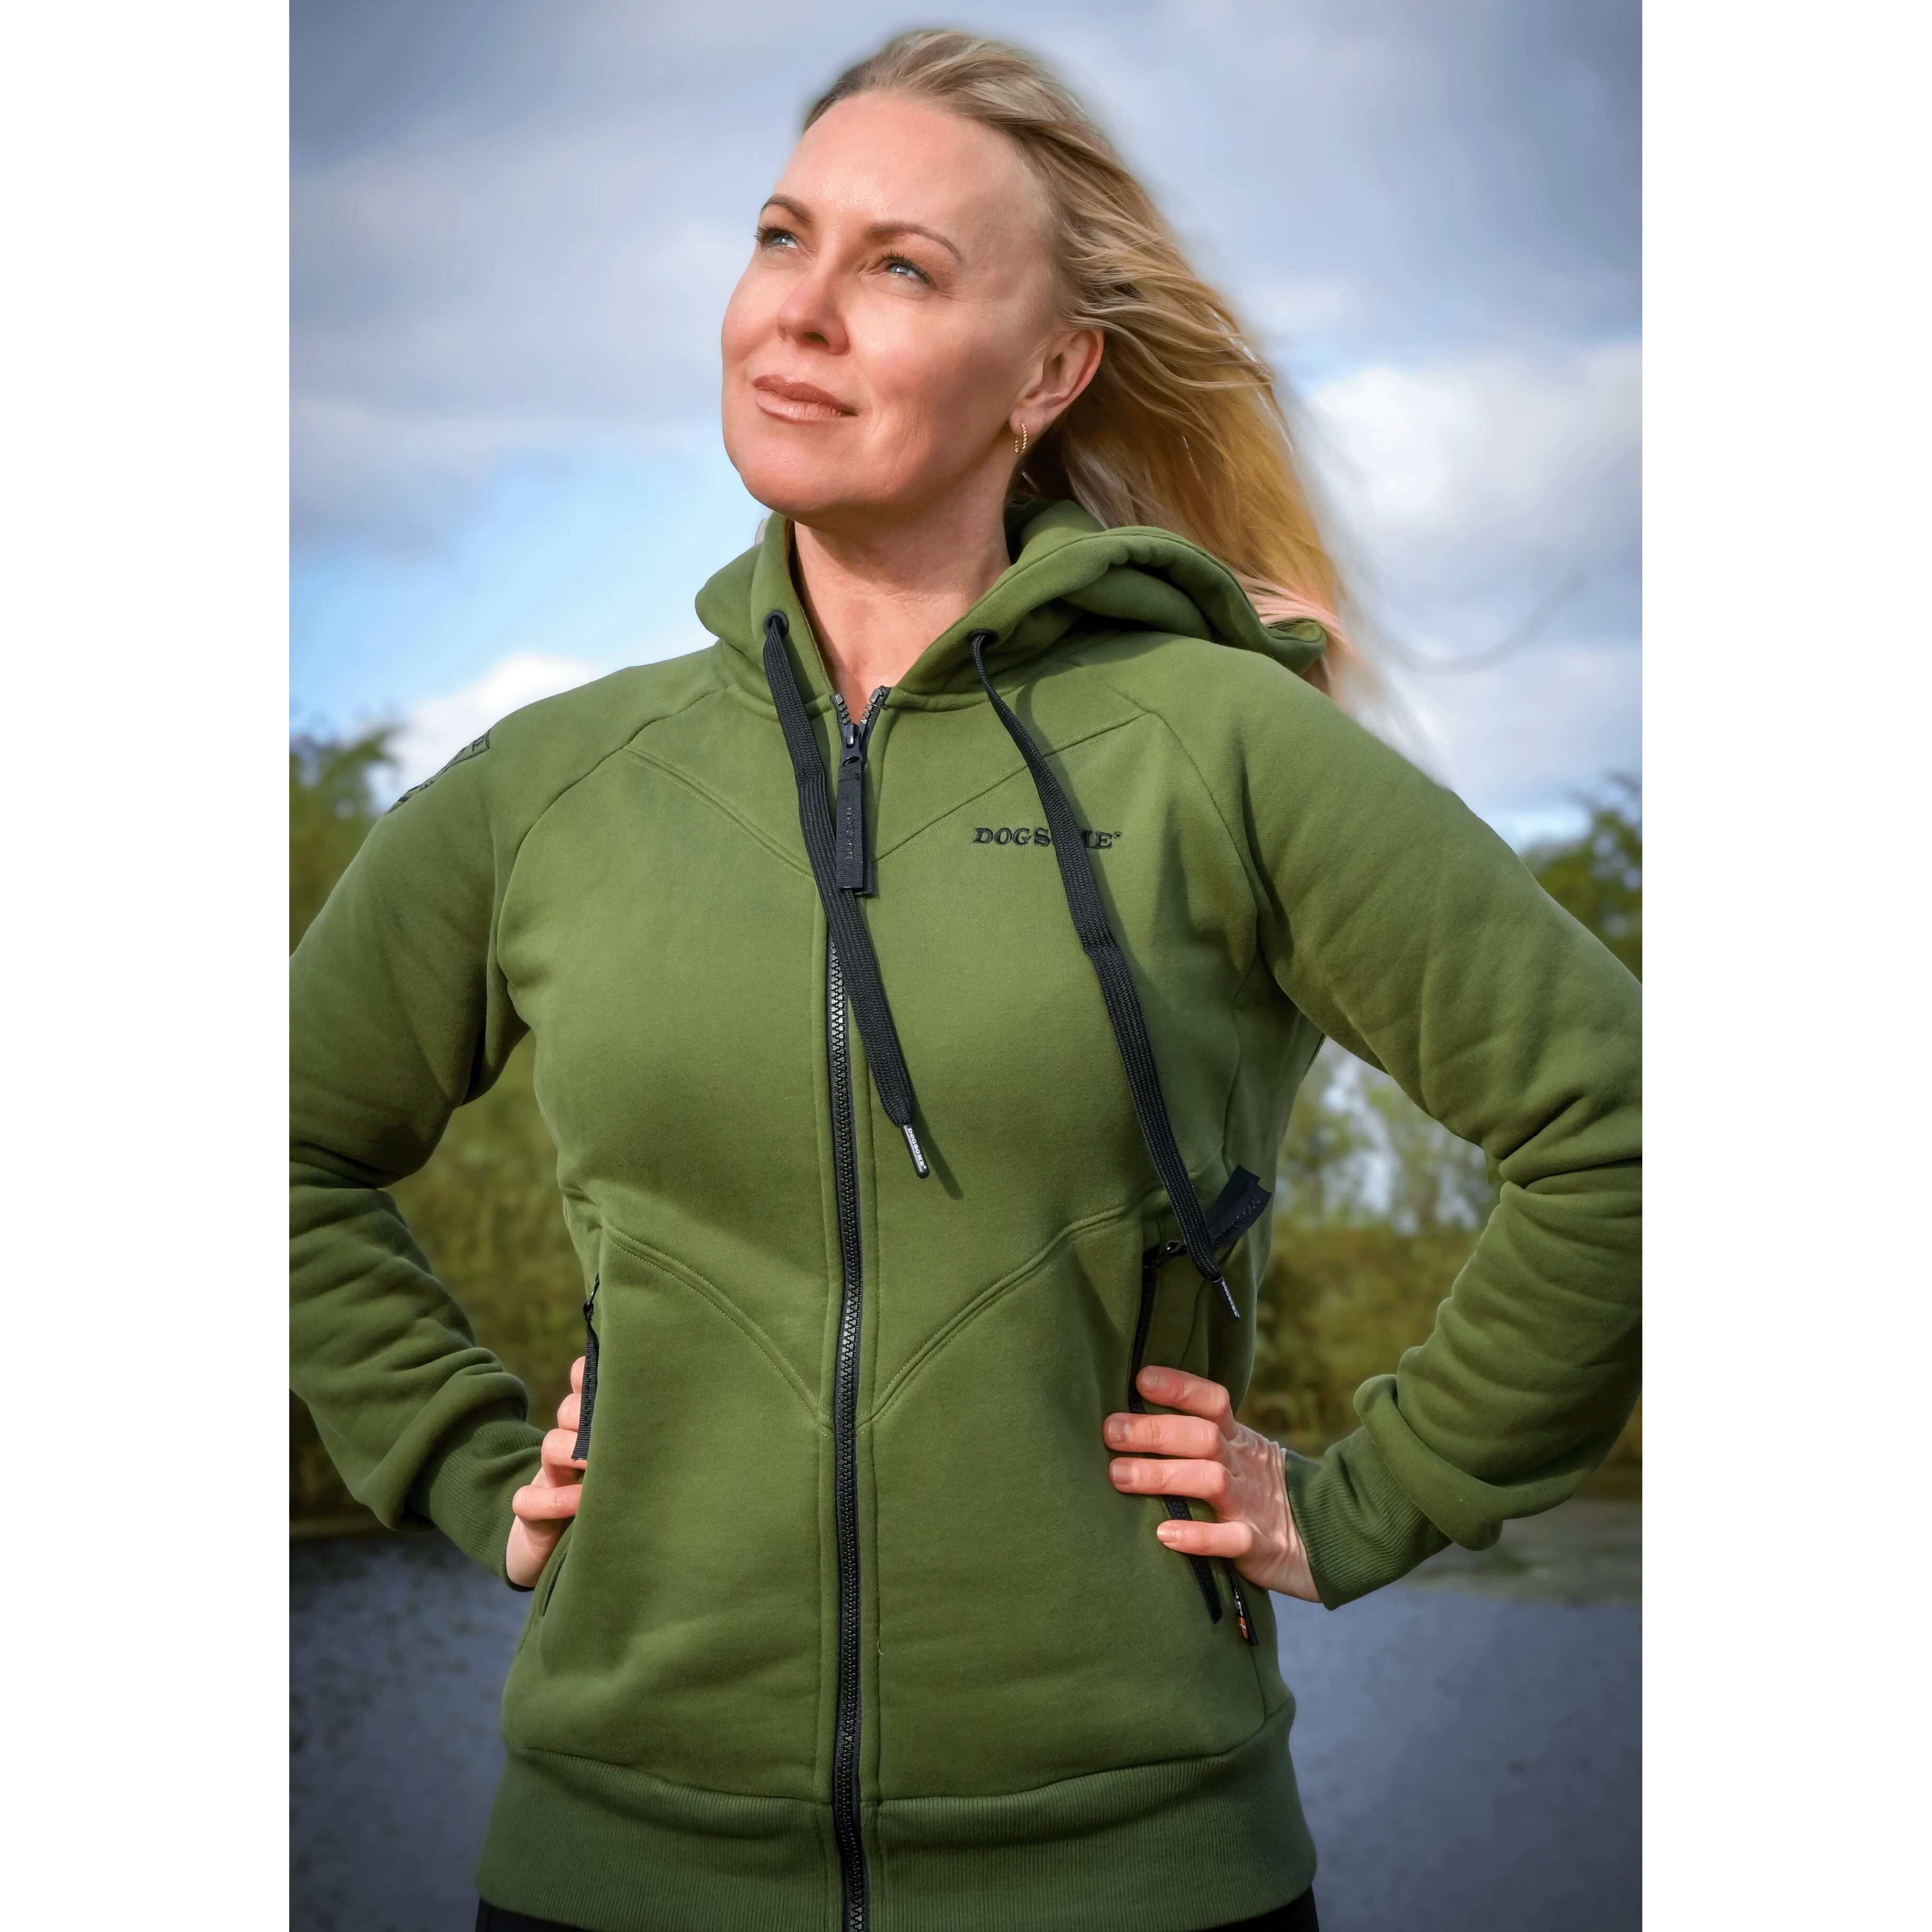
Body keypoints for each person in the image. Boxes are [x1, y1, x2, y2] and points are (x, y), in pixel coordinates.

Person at [290, 28, 1641, 1932]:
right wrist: (453, 1456)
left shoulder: (1221, 749)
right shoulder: (559, 789)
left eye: (902, 268)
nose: (802, 310)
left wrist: (1371, 1496)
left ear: (1050, 374)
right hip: (615, 1877)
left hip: (1140, 1882)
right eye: (784, 237)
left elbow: (1620, 1123)